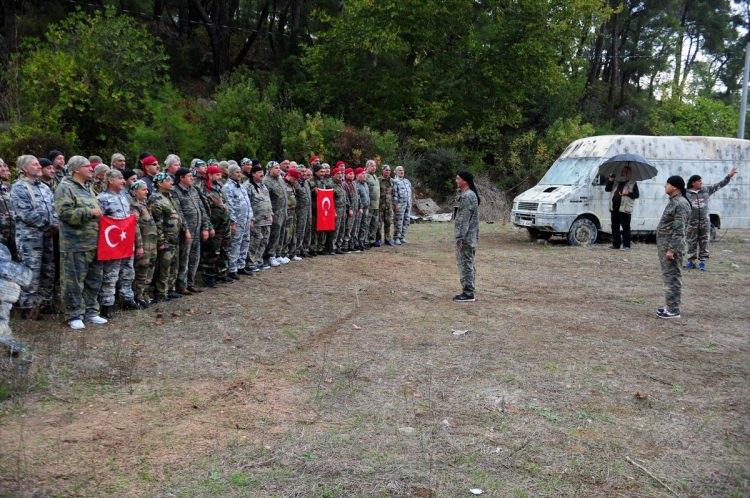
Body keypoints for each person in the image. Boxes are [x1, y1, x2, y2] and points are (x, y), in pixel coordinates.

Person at [54, 156, 107, 329]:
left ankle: (91, 311)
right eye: (87, 167)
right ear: (76, 169)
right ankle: (74, 314)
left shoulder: (88, 188)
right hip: (75, 244)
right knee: (73, 282)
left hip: (94, 243)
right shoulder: (65, 187)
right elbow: (65, 213)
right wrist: (90, 212)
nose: (92, 169)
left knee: (94, 280)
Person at [10, 155, 59, 317]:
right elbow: (26, 214)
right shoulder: (19, 188)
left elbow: (54, 210)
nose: (39, 166)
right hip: (29, 239)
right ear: (24, 168)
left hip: (48, 237)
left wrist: (55, 224)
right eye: (35, 164)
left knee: (48, 270)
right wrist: (49, 226)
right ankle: (28, 307)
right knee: (31, 272)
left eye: (39, 164)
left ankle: (45, 303)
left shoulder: (44, 188)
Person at [97, 169, 140, 316]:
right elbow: (100, 221)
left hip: (126, 242)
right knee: (111, 274)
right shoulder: (102, 198)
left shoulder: (123, 197)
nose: (123, 181)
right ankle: (107, 304)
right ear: (110, 180)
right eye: (120, 178)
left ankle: (127, 299)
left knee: (128, 271)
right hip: (113, 245)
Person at [684, 167, 738, 271]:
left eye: (701, 181)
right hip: (691, 223)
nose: (701, 183)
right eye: (699, 181)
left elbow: (720, 185)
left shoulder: (706, 190)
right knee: (691, 241)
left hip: (705, 222)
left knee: (704, 241)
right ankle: (691, 261)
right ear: (693, 183)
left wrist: (728, 177)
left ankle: (702, 263)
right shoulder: (686, 193)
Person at [656, 176, 691, 319]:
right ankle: (670, 305)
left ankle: (674, 310)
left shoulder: (680, 204)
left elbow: (679, 230)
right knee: (668, 276)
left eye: (667, 184)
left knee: (673, 277)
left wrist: (672, 249)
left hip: (672, 248)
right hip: (666, 246)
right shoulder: (674, 202)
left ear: (675, 187)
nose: (665, 186)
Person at [173, 167, 211, 294]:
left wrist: (206, 227)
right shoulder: (175, 191)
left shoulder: (193, 190)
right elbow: (179, 213)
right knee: (184, 258)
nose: (192, 178)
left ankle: (191, 283)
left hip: (198, 229)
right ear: (181, 178)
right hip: (186, 232)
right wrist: (186, 229)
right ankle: (181, 285)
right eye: (189, 176)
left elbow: (202, 209)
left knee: (195, 257)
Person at [148, 172, 185, 302]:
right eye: (168, 180)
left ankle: (171, 289)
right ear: (159, 183)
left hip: (175, 237)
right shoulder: (155, 198)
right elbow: (157, 222)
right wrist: (161, 240)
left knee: (174, 264)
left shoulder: (170, 196)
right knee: (164, 266)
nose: (171, 182)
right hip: (166, 239)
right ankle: (161, 293)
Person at [200, 165, 233, 286]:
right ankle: (209, 276)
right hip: (214, 224)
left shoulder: (219, 186)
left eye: (220, 174)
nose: (220, 177)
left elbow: (225, 203)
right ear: (210, 175)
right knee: (212, 250)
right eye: (217, 174)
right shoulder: (204, 189)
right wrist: (208, 226)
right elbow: (205, 209)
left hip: (224, 223)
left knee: (224, 248)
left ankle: (222, 273)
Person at [129, 180, 157, 307]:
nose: (146, 192)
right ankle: (138, 296)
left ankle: (145, 294)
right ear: (135, 192)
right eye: (143, 190)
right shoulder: (134, 207)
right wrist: (139, 246)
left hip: (152, 244)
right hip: (144, 245)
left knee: (150, 270)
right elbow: (135, 228)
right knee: (141, 270)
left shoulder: (144, 205)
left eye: (146, 189)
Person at [453, 171, 480, 303]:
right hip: (470, 236)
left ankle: (468, 293)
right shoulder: (468, 195)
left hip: (467, 238)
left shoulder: (468, 196)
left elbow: (464, 220)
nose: (456, 180)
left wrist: (459, 238)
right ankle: (468, 290)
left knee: (466, 263)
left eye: (458, 179)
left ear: (465, 181)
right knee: (468, 263)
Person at [224, 164, 253, 279]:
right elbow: (229, 205)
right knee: (235, 243)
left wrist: (250, 217)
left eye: (239, 172)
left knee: (245, 242)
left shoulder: (241, 186)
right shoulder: (227, 187)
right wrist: (233, 221)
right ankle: (232, 268)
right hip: (237, 220)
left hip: (245, 219)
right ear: (231, 173)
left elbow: (247, 202)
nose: (239, 174)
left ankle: (241, 265)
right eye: (236, 172)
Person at [245, 163, 273, 272]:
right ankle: (250, 262)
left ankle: (258, 260)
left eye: (262, 172)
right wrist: (250, 218)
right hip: (256, 219)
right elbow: (247, 203)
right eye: (259, 172)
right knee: (255, 240)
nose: (262, 174)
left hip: (266, 219)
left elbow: (267, 200)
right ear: (253, 174)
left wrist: (270, 213)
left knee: (264, 240)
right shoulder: (247, 186)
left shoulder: (263, 185)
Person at [605, 165, 639, 250]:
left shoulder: (633, 183)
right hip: (615, 208)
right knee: (614, 227)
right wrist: (610, 180)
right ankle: (616, 244)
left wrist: (628, 193)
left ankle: (626, 245)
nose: (623, 173)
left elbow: (637, 195)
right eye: (623, 172)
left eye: (626, 172)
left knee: (625, 228)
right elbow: (607, 189)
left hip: (625, 209)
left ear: (630, 174)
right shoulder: (617, 181)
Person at [263, 161, 288, 265]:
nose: (278, 169)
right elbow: (266, 199)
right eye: (276, 168)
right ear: (269, 169)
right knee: (274, 234)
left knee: (281, 233)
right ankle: (270, 255)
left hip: (283, 211)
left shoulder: (280, 179)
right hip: (275, 212)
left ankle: (278, 253)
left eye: (279, 168)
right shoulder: (266, 181)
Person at [280, 167, 300, 260]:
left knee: (292, 233)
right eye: (294, 178)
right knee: (286, 233)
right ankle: (283, 253)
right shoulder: (282, 184)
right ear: (289, 176)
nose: (295, 181)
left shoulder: (292, 184)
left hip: (293, 212)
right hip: (286, 212)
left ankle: (291, 252)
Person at [293, 166, 312, 258]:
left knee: (306, 229)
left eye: (305, 171)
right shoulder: (295, 183)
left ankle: (303, 248)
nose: (304, 173)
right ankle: (295, 250)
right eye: (301, 171)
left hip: (307, 210)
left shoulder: (306, 182)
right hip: (299, 210)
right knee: (299, 230)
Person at [0, 158, 17, 260]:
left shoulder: (7, 187)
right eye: (0, 167)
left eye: (3, 166)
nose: (3, 169)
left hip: (12, 237)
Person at [392, 165, 413, 245]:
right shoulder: (395, 182)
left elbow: (410, 192)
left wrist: (411, 202)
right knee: (399, 221)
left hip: (407, 204)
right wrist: (396, 204)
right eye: (400, 170)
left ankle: (402, 237)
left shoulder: (407, 181)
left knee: (406, 221)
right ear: (396, 172)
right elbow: (394, 194)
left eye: (403, 170)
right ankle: (396, 237)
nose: (401, 172)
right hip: (400, 205)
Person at [331, 165, 349, 254]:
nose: (340, 175)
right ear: (333, 175)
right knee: (335, 229)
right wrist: (333, 211)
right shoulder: (331, 185)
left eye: (341, 173)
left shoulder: (341, 184)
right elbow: (330, 200)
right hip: (336, 210)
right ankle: (332, 247)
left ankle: (338, 246)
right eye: (337, 173)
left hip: (343, 210)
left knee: (341, 229)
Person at [376, 164, 395, 246]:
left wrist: (394, 204)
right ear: (382, 171)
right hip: (380, 205)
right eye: (386, 170)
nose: (388, 172)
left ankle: (387, 239)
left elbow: (394, 193)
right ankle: (378, 239)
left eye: (389, 170)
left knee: (388, 223)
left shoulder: (392, 181)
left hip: (389, 206)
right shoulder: (378, 180)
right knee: (379, 224)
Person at [364, 159, 381, 247]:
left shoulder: (375, 176)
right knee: (367, 223)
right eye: (372, 166)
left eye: (375, 166)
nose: (374, 167)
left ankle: (372, 239)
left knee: (374, 223)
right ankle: (365, 240)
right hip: (369, 205)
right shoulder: (365, 176)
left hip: (376, 205)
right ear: (367, 167)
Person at [342, 167, 358, 252]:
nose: (352, 175)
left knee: (354, 227)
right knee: (348, 227)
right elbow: (346, 198)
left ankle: (351, 244)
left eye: (352, 174)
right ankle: (345, 245)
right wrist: (349, 208)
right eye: (350, 174)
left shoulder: (354, 184)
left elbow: (357, 196)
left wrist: (359, 207)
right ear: (346, 175)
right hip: (349, 210)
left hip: (356, 209)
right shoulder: (344, 184)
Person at [355, 167, 370, 251]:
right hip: (359, 209)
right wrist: (360, 207)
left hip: (366, 208)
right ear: (357, 175)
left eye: (365, 174)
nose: (364, 176)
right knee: (358, 226)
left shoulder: (365, 184)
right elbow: (357, 198)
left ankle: (362, 241)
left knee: (364, 225)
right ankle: (356, 242)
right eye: (362, 174)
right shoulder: (356, 185)